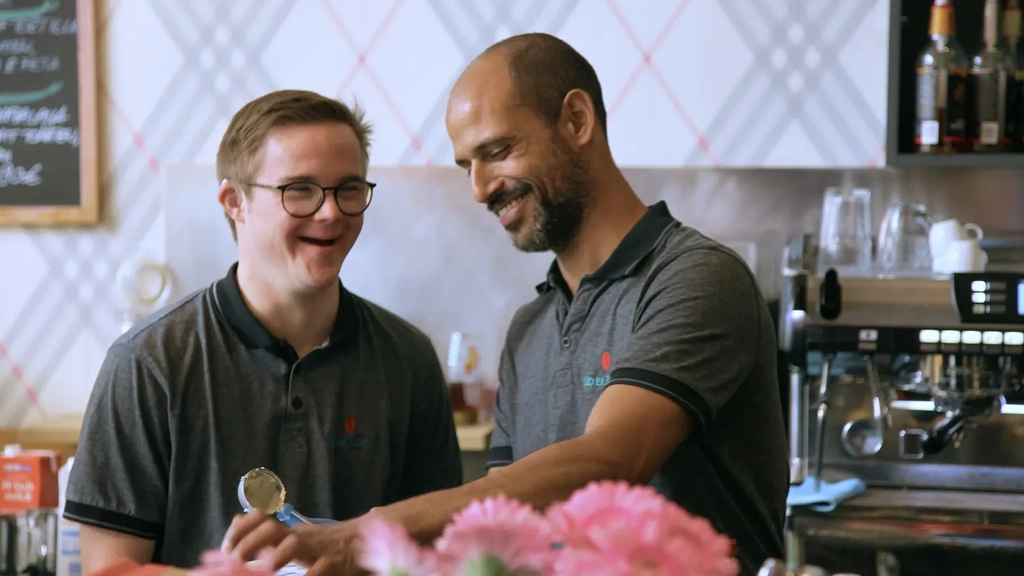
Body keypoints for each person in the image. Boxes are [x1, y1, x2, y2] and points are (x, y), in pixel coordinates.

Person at [222, 34, 788, 575]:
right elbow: (498, 530)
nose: (480, 187)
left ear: (576, 120)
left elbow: (612, 460)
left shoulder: (695, 278)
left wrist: (363, 533)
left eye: (497, 151)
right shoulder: (530, 329)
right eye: (467, 165)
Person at [63, 90, 464, 571]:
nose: (331, 212)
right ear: (235, 202)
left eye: (349, 188)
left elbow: (443, 551)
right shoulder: (148, 363)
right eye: (300, 189)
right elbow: (110, 568)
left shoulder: (408, 360)